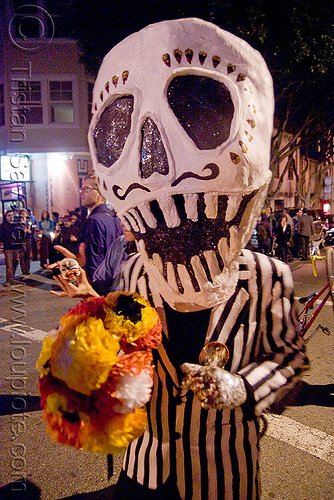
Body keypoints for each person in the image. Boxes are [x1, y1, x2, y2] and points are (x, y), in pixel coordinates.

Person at [50, 19, 307, 500]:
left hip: (220, 477)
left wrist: (242, 389)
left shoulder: (269, 276)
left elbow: (290, 363)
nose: (154, 172)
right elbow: (123, 346)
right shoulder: (135, 270)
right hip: (143, 472)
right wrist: (86, 316)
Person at [53, 174, 124, 295]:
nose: (82, 193)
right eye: (81, 189)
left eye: (87, 189)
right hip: (116, 285)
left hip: (99, 289)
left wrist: (89, 292)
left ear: (101, 192)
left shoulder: (94, 221)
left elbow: (94, 262)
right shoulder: (115, 218)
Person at [0, 210, 27, 285]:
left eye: (12, 215)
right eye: (9, 216)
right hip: (8, 248)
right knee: (9, 264)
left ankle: (12, 278)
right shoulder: (3, 226)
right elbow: (1, 236)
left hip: (16, 247)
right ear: (6, 217)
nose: (11, 217)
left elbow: (20, 235)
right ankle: (8, 280)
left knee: (15, 262)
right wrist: (6, 242)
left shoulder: (16, 225)